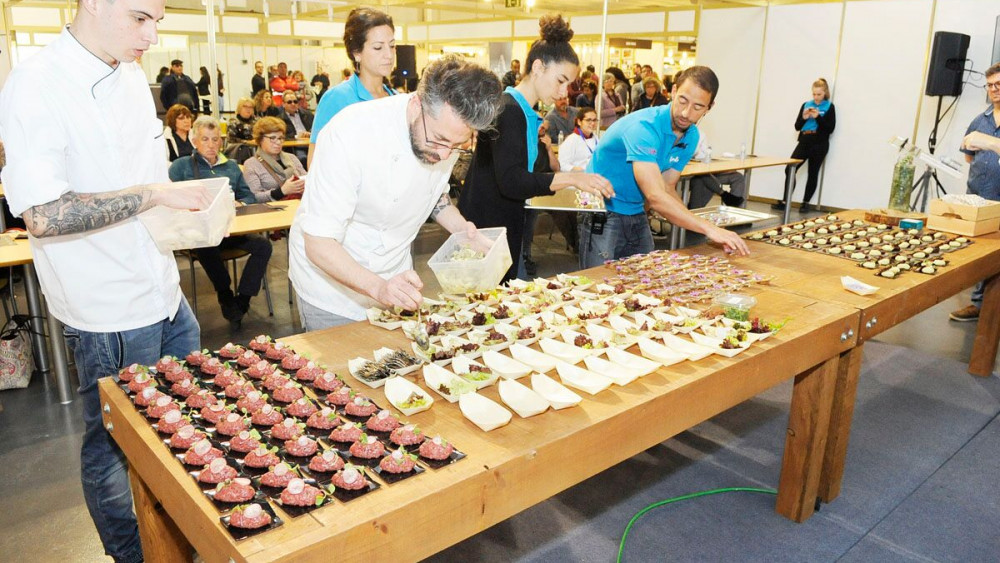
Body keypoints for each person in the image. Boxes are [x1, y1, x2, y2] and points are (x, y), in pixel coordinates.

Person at [0, 1, 211, 559]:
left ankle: (181, 538)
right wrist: (155, 195)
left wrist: (181, 208)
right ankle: (135, 554)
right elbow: (43, 214)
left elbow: (140, 175)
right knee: (115, 447)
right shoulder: (37, 82)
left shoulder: (131, 71)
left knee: (180, 426)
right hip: (109, 309)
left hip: (163, 288)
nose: (152, 34)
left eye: (158, 20)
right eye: (140, 18)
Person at [288, 55, 504, 330]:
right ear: (416, 104)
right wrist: (378, 288)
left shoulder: (443, 133)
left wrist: (463, 231)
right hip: (331, 285)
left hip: (393, 274)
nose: (444, 154)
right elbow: (319, 243)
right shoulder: (349, 134)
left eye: (457, 144)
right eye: (438, 140)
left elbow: (432, 193)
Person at [458, 15, 614, 282]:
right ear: (539, 67)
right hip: (486, 229)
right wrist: (573, 179)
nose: (564, 92)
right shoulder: (509, 110)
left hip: (501, 224)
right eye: (560, 80)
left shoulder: (521, 111)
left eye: (569, 85)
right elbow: (512, 181)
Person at [578, 66, 750, 269]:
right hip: (603, 210)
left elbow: (667, 187)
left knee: (644, 280)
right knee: (599, 284)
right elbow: (656, 196)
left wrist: (700, 224)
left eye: (697, 107)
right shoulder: (644, 128)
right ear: (674, 91)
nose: (686, 113)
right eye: (683, 101)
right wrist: (709, 229)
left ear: (709, 107)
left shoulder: (691, 136)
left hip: (636, 210)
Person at [168, 116, 272, 328]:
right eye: (205, 139)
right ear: (194, 141)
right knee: (206, 244)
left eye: (215, 139)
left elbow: (249, 197)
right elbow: (171, 200)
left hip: (231, 230)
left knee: (263, 245)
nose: (211, 145)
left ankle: (242, 299)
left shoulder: (231, 167)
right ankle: (225, 294)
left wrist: (239, 203)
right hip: (200, 233)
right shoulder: (180, 167)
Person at [308, 7, 396, 168]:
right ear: (357, 53)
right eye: (378, 47)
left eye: (392, 46)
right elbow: (315, 163)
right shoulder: (337, 98)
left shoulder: (396, 99)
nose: (389, 55)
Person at [950, 63, 1000, 322]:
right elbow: (969, 157)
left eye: (999, 85)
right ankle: (978, 304)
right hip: (979, 195)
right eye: (990, 85)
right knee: (980, 253)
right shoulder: (979, 121)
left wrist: (991, 143)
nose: (994, 90)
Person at [773, 78, 836, 213]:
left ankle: (805, 203)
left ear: (825, 93)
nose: (816, 97)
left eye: (819, 94)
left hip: (820, 143)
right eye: (814, 94)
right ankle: (786, 201)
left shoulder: (829, 107)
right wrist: (804, 117)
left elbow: (830, 129)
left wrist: (818, 116)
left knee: (812, 173)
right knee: (790, 169)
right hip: (805, 140)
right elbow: (797, 126)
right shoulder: (806, 104)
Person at [521, 119, 563, 276]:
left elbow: (556, 168)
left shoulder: (546, 144)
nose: (542, 128)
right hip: (528, 186)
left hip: (543, 188)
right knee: (524, 223)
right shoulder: (526, 141)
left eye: (544, 126)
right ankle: (523, 255)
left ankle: (526, 254)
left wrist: (549, 148)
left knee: (530, 224)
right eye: (539, 125)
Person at [243, 117, 306, 203]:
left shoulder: (292, 158)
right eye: (272, 138)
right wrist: (282, 191)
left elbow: (306, 179)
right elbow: (254, 197)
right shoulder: (251, 164)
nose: (278, 142)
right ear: (260, 139)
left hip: (299, 205)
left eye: (280, 138)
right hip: (273, 211)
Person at [686, 135, 746, 209]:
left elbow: (705, 154)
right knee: (705, 180)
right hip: (689, 174)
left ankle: (736, 211)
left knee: (737, 177)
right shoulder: (679, 133)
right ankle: (693, 211)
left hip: (704, 170)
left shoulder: (700, 133)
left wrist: (722, 169)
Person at [225, 97, 257, 164]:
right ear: (239, 108)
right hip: (239, 152)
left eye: (250, 107)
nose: (248, 109)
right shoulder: (233, 122)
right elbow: (231, 139)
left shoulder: (257, 121)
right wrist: (248, 142)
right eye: (245, 106)